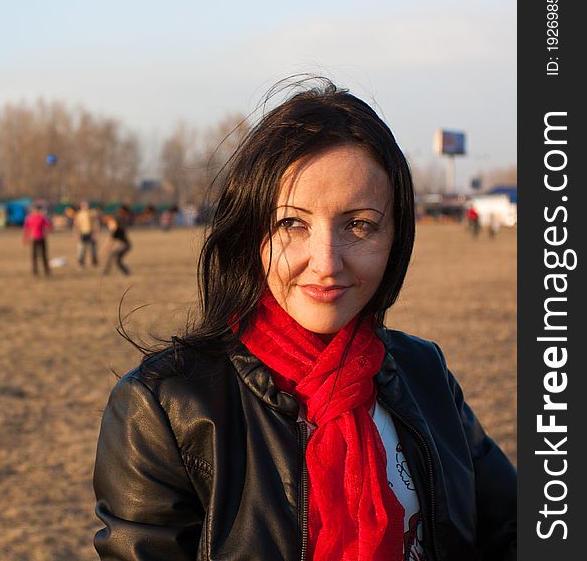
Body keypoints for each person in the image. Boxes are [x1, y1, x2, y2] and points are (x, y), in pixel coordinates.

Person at [93, 80, 516, 560]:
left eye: (359, 225)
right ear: (251, 231)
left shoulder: (424, 373)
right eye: (293, 223)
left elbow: (511, 528)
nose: (327, 262)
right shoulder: (164, 408)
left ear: (395, 237)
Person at [22, 204, 53, 277]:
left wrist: (47, 222)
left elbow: (49, 227)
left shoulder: (42, 218)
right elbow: (26, 229)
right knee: (34, 256)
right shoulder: (29, 218)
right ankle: (35, 271)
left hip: (41, 238)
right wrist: (25, 239)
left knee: (44, 255)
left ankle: (46, 271)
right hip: (33, 239)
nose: (36, 211)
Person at [73, 200, 99, 268]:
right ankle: (81, 263)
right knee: (81, 249)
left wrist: (95, 233)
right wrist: (76, 234)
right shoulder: (79, 214)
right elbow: (76, 225)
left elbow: (95, 223)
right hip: (82, 233)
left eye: (86, 205)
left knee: (93, 249)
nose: (85, 206)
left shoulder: (92, 213)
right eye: (84, 205)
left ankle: (94, 263)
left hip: (91, 233)